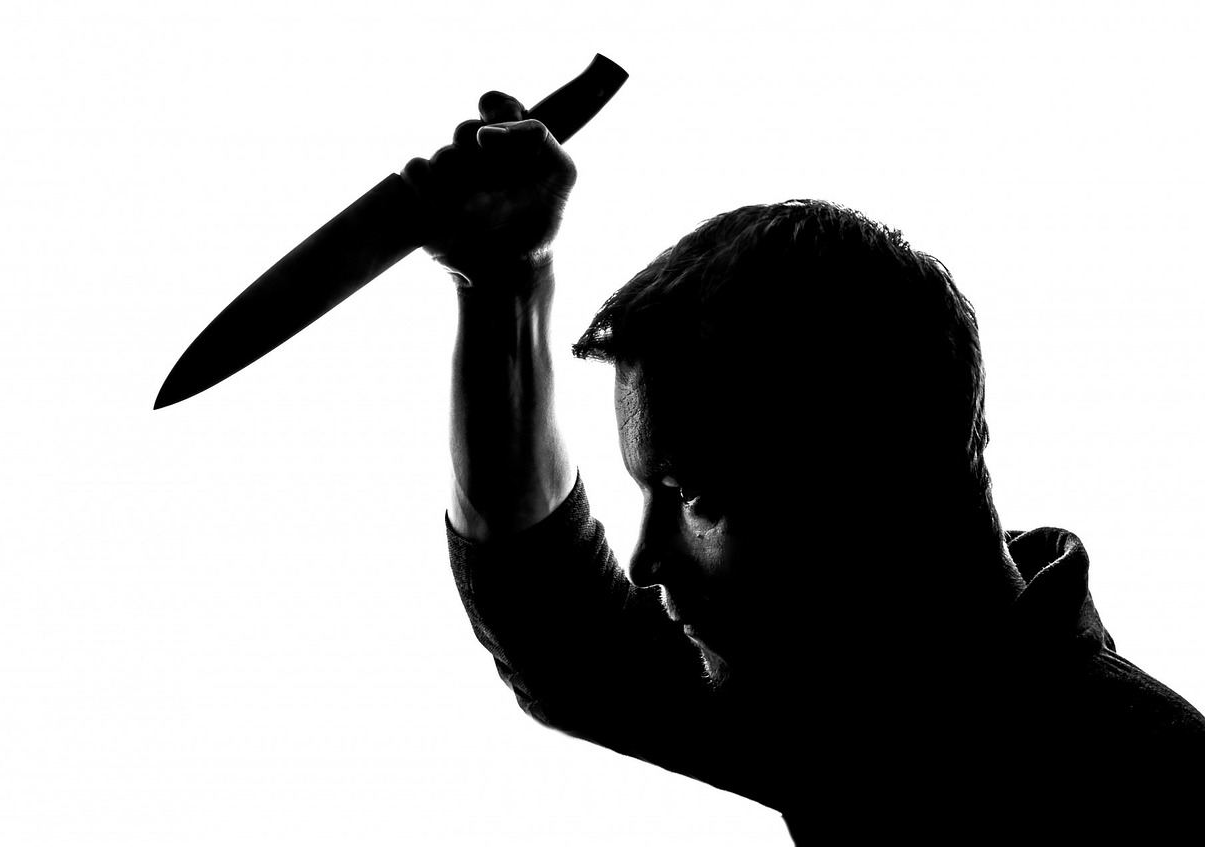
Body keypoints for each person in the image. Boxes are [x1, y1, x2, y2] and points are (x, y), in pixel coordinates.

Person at [403, 91, 1205, 844]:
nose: (646, 562)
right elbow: (566, 639)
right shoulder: (843, 689)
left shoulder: (1155, 788)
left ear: (866, 489)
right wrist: (505, 281)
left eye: (695, 496)